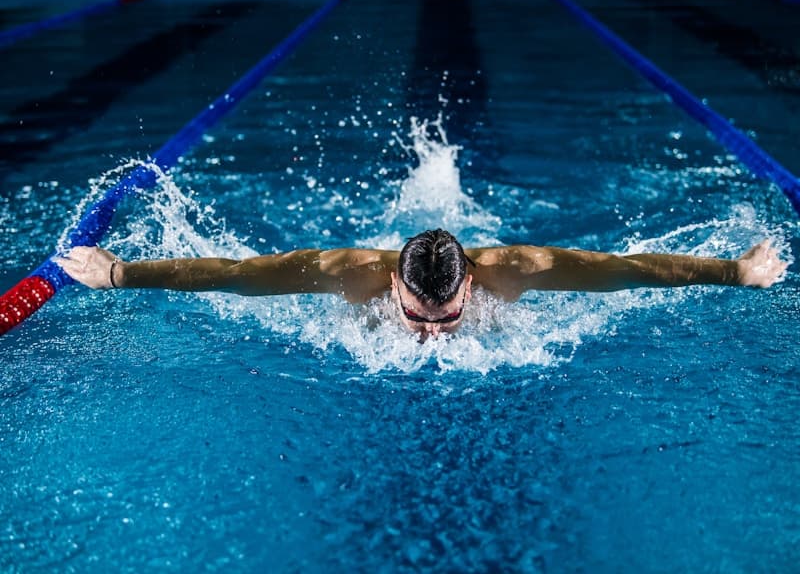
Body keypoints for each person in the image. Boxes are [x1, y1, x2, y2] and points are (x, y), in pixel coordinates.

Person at [54, 229, 787, 340]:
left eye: (444, 317)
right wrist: (119, 273)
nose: (430, 334)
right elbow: (237, 277)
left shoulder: (518, 270)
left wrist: (735, 272)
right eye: (417, 314)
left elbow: (630, 270)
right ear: (393, 286)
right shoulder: (350, 275)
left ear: (472, 280)